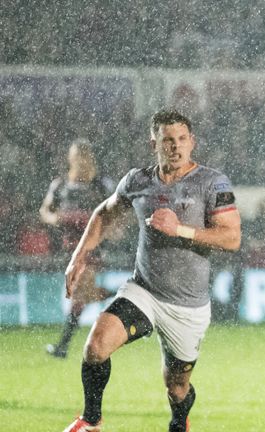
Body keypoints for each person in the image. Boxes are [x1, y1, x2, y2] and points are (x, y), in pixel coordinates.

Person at [62, 109, 241, 432]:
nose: (175, 146)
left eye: (182, 139)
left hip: (187, 306)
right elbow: (105, 212)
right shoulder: (138, 180)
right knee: (95, 347)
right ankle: (90, 421)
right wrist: (79, 256)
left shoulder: (212, 182)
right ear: (153, 143)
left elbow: (231, 237)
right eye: (167, 140)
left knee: (177, 388)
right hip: (143, 290)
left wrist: (181, 230)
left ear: (192, 142)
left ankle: (179, 418)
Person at [40, 139, 114, 358]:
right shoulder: (60, 185)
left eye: (84, 157)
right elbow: (45, 211)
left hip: (93, 247)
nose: (80, 161)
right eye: (76, 157)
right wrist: (57, 219)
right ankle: (125, 297)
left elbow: (117, 212)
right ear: (70, 159)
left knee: (80, 292)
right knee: (82, 294)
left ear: (89, 158)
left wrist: (105, 229)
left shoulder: (101, 185)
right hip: (68, 248)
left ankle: (62, 345)